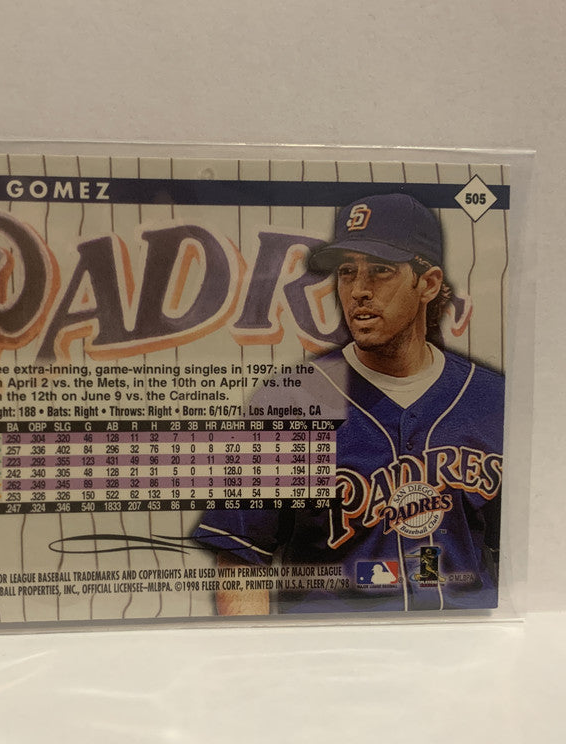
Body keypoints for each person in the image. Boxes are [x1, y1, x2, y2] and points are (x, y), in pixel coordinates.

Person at [192, 193, 504, 614]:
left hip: (467, 644)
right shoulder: (290, 400)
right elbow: (241, 558)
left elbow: (528, 552)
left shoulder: (492, 398)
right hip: (333, 645)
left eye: (380, 270)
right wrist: (256, 652)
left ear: (428, 284)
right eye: (346, 272)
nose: (358, 291)